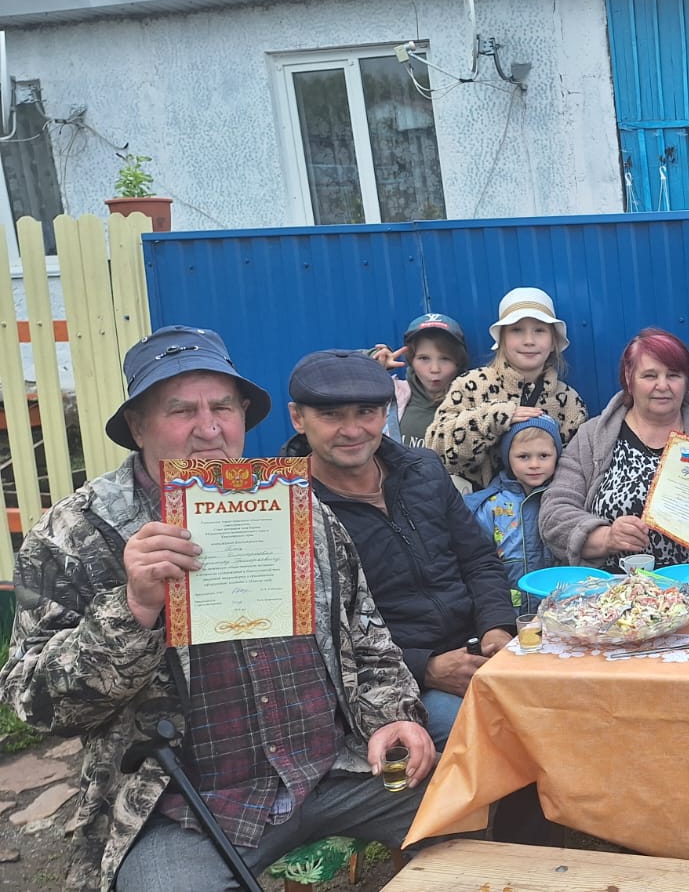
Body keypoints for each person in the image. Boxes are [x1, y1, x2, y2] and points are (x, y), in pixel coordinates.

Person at [0, 326, 433, 892]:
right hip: (189, 806)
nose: (209, 428)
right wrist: (133, 609)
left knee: (476, 808)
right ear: (137, 426)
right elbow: (34, 704)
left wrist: (390, 714)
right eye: (181, 411)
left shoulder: (298, 510)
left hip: (335, 770)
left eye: (223, 407)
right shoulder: (74, 535)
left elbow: (366, 634)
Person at [282, 350, 516, 750]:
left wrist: (497, 627)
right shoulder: (290, 509)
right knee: (485, 732)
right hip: (394, 682)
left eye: (366, 412)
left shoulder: (423, 469)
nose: (352, 430)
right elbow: (313, 641)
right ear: (297, 418)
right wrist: (427, 668)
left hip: (477, 648)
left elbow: (478, 559)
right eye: (331, 416)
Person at [539, 328, 689, 571]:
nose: (662, 385)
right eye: (650, 376)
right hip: (620, 591)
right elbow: (554, 514)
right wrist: (605, 537)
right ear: (629, 377)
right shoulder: (592, 437)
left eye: (673, 375)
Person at [426, 287, 587, 489]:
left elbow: (577, 473)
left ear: (553, 340)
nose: (529, 341)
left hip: (544, 511)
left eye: (539, 330)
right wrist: (493, 418)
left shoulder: (569, 402)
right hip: (475, 513)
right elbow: (436, 452)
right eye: (516, 330)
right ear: (501, 339)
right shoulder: (471, 385)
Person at [464, 415, 563, 585]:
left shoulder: (562, 498)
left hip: (556, 602)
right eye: (523, 456)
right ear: (507, 457)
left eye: (544, 456)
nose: (534, 464)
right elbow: (477, 560)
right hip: (506, 603)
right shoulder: (490, 505)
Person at [368, 312, 471, 449]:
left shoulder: (472, 402)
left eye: (445, 359)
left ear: (459, 362)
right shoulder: (392, 395)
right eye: (424, 358)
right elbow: (336, 374)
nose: (435, 369)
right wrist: (371, 361)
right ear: (411, 360)